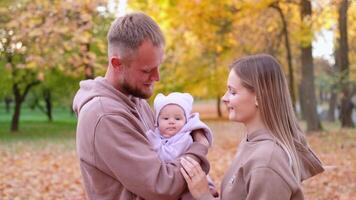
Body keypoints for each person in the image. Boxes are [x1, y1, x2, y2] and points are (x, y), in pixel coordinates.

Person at [72, 12, 210, 200]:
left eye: (158, 66)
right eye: (147, 70)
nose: (157, 77)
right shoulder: (105, 116)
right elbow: (162, 185)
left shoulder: (136, 100)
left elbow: (165, 154)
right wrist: (199, 146)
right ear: (117, 64)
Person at [180, 54, 324, 200]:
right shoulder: (251, 143)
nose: (224, 98)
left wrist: (204, 195)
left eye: (232, 91)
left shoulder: (267, 161)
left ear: (258, 97)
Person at [146, 92, 219, 199]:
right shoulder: (157, 134)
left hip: (187, 178)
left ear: (186, 122)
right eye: (166, 118)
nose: (171, 122)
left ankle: (209, 188)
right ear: (157, 121)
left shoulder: (184, 138)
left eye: (177, 118)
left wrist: (151, 140)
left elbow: (168, 155)